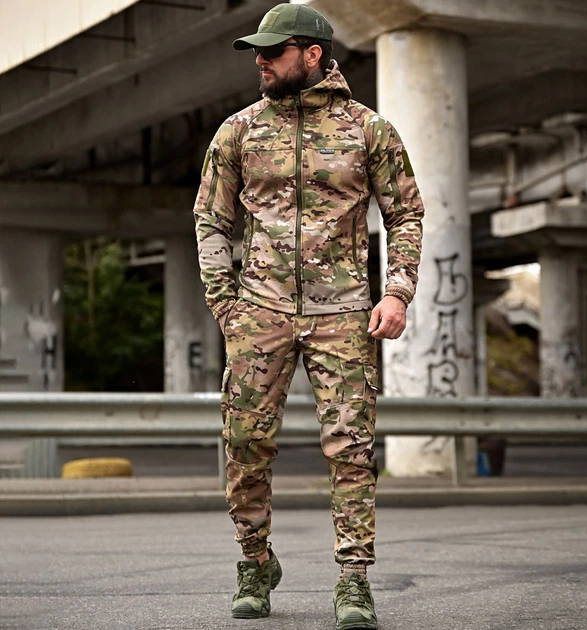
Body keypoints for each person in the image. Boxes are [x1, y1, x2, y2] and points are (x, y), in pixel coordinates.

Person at [193, 3, 424, 628]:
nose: (261, 62)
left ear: (313, 54)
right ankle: (254, 562)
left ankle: (353, 579)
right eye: (258, 52)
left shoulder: (369, 130)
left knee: (351, 449)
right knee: (244, 442)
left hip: (343, 313)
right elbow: (211, 218)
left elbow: (405, 213)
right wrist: (225, 304)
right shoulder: (238, 131)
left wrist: (396, 292)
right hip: (258, 311)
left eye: (274, 51)